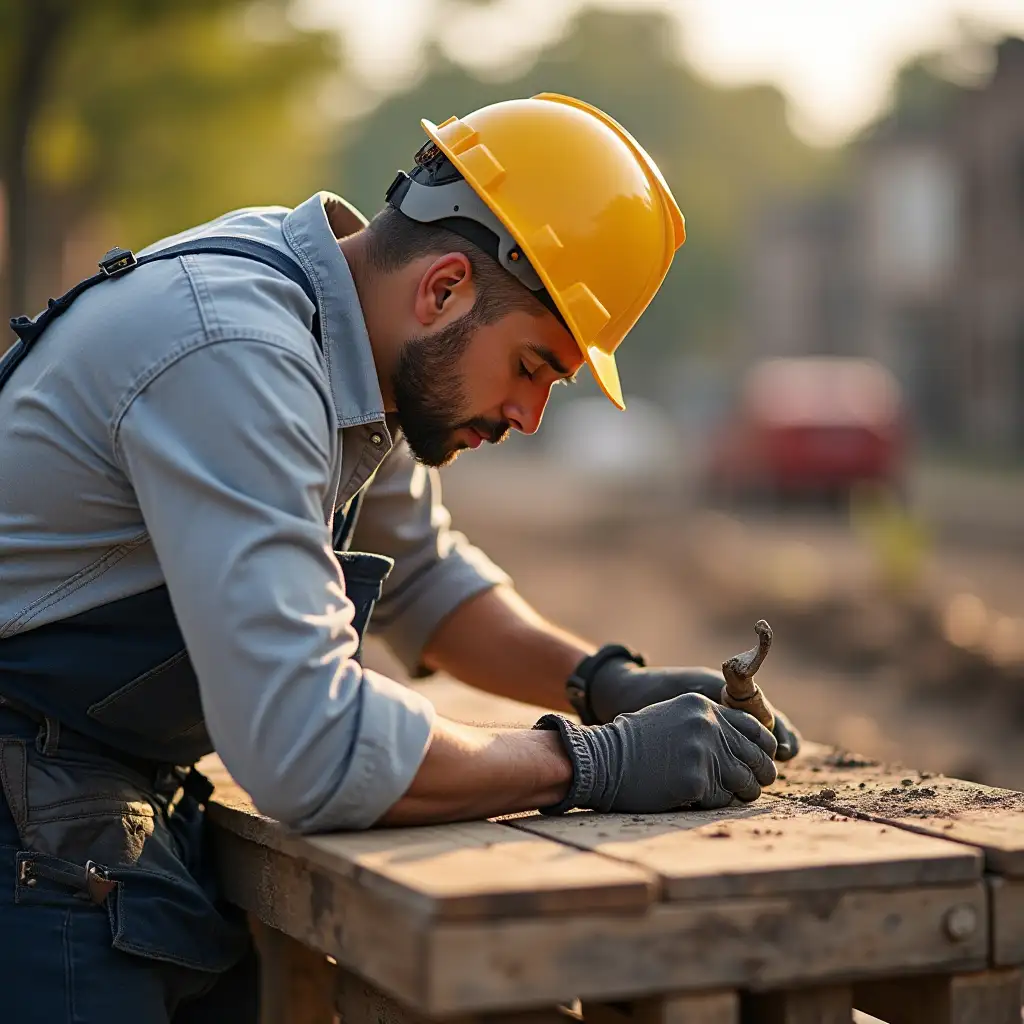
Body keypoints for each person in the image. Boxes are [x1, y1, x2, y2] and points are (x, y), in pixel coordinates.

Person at [0, 93, 799, 1022]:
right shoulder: (237, 353)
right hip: (26, 812)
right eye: (535, 367)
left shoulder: (333, 320)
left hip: (90, 793)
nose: (528, 417)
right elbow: (308, 747)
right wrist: (593, 761)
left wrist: (602, 680)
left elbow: (423, 576)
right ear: (446, 287)